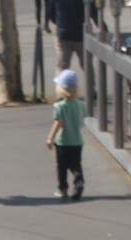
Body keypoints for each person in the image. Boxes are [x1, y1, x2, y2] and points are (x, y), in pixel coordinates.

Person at [46, 68, 86, 200]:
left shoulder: (60, 106)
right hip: (77, 140)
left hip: (63, 141)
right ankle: (78, 179)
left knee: (62, 166)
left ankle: (62, 188)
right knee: (76, 164)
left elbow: (58, 123)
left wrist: (50, 138)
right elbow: (83, 119)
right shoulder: (80, 105)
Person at [47, 0, 85, 72]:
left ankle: (60, 83)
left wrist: (61, 23)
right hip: (80, 34)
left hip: (63, 34)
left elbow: (51, 14)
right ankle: (91, 82)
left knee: (62, 65)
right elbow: (93, 13)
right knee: (86, 64)